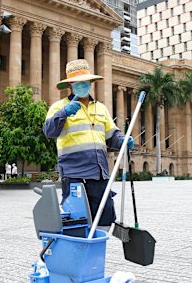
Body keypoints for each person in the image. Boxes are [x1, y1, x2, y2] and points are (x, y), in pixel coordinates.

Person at [43, 59, 134, 231]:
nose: (82, 85)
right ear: (70, 85)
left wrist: (122, 140)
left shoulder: (101, 108)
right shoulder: (58, 107)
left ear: (90, 83)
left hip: (98, 171)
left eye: (85, 81)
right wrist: (64, 113)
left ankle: (98, 246)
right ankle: (79, 248)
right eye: (78, 82)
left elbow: (111, 135)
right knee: (76, 216)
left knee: (105, 213)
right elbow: (49, 131)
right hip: (73, 172)